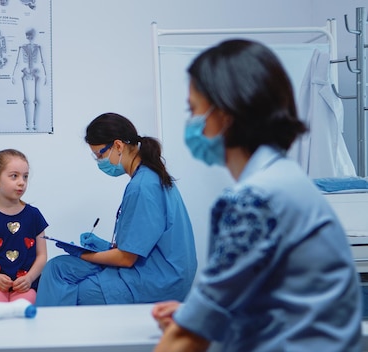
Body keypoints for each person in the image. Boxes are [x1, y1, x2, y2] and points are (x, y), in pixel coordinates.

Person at [152, 39, 362, 352]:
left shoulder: (255, 199)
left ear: (225, 114)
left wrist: (195, 322)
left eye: (193, 109)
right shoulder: (287, 180)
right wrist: (197, 314)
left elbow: (187, 339)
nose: (192, 122)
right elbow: (270, 296)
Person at [35, 113, 198, 306]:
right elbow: (140, 245)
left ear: (118, 146)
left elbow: (127, 258)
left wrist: (83, 254)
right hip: (158, 271)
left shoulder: (142, 186)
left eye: (100, 155)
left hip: (156, 282)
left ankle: (50, 332)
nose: (99, 162)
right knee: (57, 267)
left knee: (62, 285)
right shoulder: (150, 177)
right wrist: (100, 245)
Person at [0, 149, 48, 303]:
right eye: (14, 176)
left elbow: (42, 255)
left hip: (25, 284)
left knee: (23, 310)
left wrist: (30, 278)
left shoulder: (34, 216)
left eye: (25, 177)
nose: (22, 182)